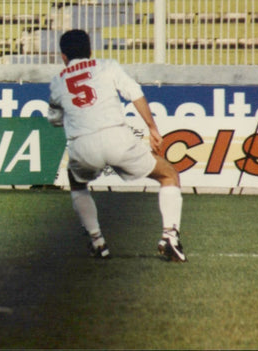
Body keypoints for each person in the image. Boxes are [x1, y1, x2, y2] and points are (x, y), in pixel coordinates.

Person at [47, 29, 186, 262]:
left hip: (82, 146)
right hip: (117, 138)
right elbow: (135, 94)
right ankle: (170, 237)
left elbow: (54, 119)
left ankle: (98, 241)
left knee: (76, 182)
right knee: (168, 174)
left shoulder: (57, 82)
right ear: (90, 51)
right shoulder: (107, 66)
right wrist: (152, 128)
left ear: (63, 56)